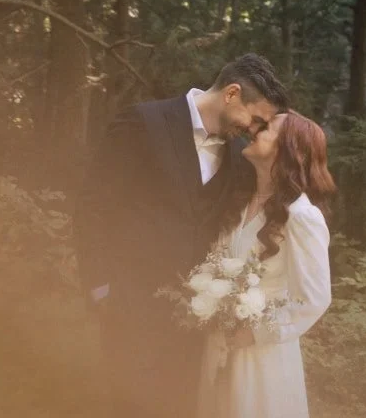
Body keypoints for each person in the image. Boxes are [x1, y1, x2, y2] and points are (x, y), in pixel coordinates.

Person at [75, 54, 289, 418]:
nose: (254, 130)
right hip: (130, 305)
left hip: (195, 323)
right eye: (255, 119)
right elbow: (94, 206)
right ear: (232, 94)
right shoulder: (142, 122)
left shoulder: (239, 156)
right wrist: (100, 288)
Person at [197, 110, 336, 418]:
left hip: (261, 358)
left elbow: (314, 298)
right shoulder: (239, 203)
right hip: (219, 347)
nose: (254, 130)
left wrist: (255, 333)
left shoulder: (301, 216)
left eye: (267, 128)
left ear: (288, 150)